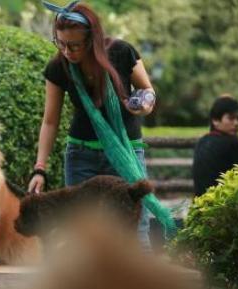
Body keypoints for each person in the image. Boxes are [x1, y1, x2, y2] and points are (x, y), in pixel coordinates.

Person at [27, 1, 166, 250]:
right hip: (82, 157)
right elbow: (50, 122)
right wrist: (40, 168)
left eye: (74, 45)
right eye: (60, 43)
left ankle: (136, 286)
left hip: (125, 153)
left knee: (134, 230)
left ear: (92, 40)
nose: (67, 51)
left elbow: (148, 91)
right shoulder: (58, 66)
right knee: (82, 235)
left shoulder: (121, 53)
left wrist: (144, 104)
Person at [193, 95, 238, 196]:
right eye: (231, 118)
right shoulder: (230, 143)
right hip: (223, 203)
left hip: (202, 203)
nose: (236, 123)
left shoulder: (202, 141)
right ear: (215, 120)